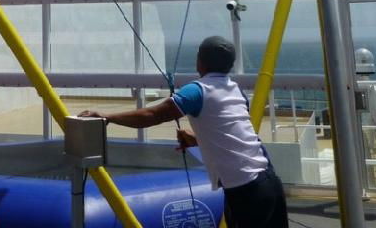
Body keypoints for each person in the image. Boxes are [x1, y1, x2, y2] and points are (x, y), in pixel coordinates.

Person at [79, 35, 287, 228]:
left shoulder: (197, 90)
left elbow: (152, 116)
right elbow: (233, 133)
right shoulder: (235, 90)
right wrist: (197, 139)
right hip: (269, 182)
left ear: (200, 61)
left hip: (245, 191)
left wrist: (107, 117)